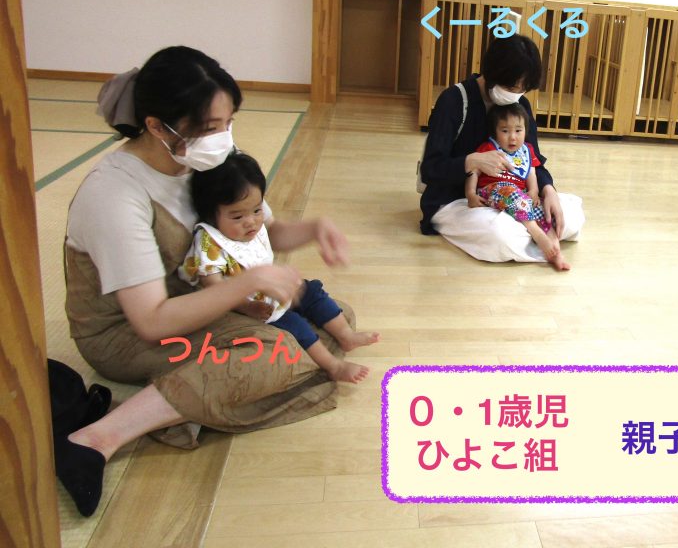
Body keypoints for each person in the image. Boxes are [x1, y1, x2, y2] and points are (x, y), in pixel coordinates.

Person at [58, 46, 362, 517]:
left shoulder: (206, 162)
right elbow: (151, 321)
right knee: (282, 351)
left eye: (228, 123)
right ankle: (99, 437)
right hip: (126, 331)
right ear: (157, 126)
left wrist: (313, 228)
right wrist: (244, 286)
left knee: (329, 319)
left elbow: (257, 232)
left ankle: (185, 395)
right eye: (210, 127)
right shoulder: (115, 195)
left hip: (203, 296)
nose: (223, 139)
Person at [182, 151, 379, 383]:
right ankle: (333, 365)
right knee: (296, 326)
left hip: (274, 290)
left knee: (312, 292)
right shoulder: (209, 242)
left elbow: (273, 233)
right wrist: (246, 306)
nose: (251, 221)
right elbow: (214, 288)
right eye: (237, 217)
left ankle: (346, 335)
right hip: (252, 306)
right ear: (211, 216)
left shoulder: (252, 225)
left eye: (257, 210)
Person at [419, 34, 585, 263]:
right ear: (492, 74)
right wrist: (471, 161)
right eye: (511, 87)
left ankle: (533, 233)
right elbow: (430, 169)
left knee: (571, 216)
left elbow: (533, 159)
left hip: (514, 195)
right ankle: (538, 235)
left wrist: (549, 191)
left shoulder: (519, 104)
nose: (516, 94)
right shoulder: (454, 100)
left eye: (522, 89)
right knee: (501, 236)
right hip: (461, 201)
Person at [466, 102, 570, 270]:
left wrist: (534, 191)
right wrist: (470, 194)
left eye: (518, 130)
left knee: (540, 209)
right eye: (505, 131)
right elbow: (474, 172)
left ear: (526, 131)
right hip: (493, 189)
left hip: (520, 194)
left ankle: (555, 249)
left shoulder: (527, 150)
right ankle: (537, 233)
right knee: (512, 192)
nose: (512, 137)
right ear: (494, 131)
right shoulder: (488, 148)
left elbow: (531, 173)